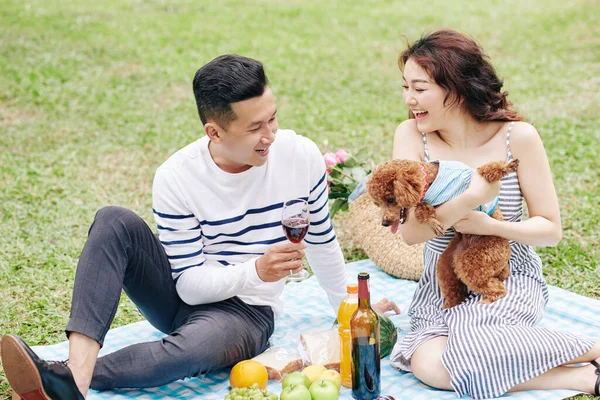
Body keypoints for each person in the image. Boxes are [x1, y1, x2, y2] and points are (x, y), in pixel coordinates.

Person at [1, 54, 399, 399]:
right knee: (113, 221)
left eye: (273, 118)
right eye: (255, 128)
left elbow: (322, 241)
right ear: (215, 131)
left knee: (192, 350)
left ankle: (65, 380)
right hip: (182, 294)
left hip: (248, 311)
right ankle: (77, 370)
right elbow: (187, 284)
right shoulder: (176, 176)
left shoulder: (299, 156)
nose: (270, 136)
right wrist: (255, 268)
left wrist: (348, 309)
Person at [387, 29, 600, 399]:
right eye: (405, 87)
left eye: (419, 89)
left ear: (455, 87)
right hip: (442, 283)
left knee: (475, 342)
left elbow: (550, 229)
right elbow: (411, 234)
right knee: (432, 366)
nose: (409, 99)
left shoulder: (517, 138)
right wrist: (473, 199)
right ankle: (584, 375)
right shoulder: (410, 136)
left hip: (506, 275)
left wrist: (490, 226)